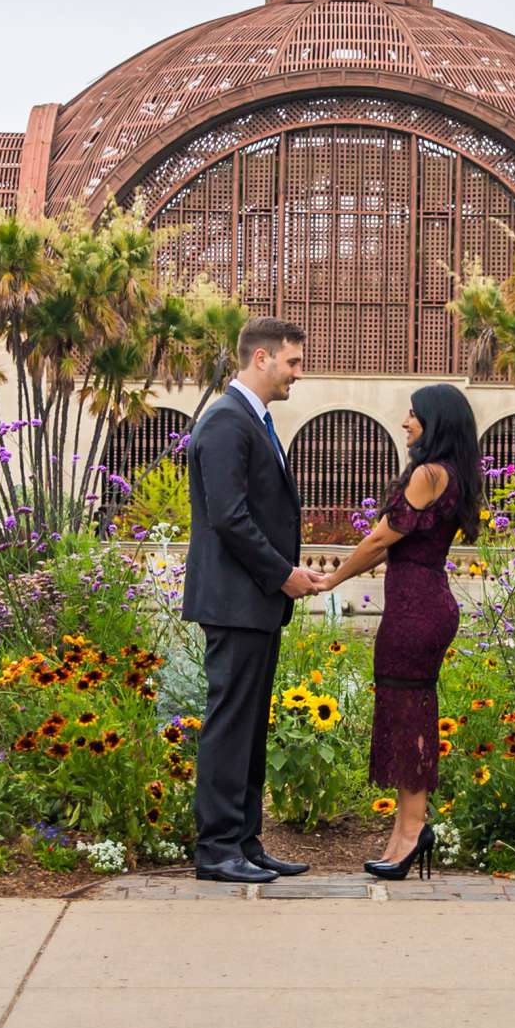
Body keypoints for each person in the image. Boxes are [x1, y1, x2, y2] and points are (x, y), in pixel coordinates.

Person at [311, 382, 480, 879]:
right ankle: (405, 831)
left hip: (416, 610)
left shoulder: (429, 474)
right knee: (409, 713)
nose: (406, 422)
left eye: (413, 414)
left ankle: (411, 833)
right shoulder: (448, 473)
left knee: (409, 716)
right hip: (422, 604)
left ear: (435, 422)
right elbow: (390, 543)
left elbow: (383, 537)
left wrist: (331, 579)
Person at [183, 315, 324, 884]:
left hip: (254, 602)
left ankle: (245, 840)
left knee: (248, 724)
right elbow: (230, 518)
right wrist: (283, 574)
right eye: (292, 361)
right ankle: (217, 849)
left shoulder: (254, 420)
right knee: (230, 723)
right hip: (236, 600)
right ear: (260, 358)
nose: (298, 373)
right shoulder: (225, 420)